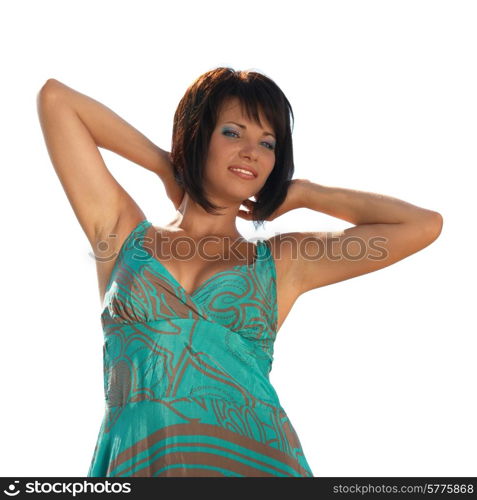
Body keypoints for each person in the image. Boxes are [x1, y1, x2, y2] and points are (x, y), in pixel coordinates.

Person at [36, 67, 443, 477]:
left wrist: (305, 193)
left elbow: (422, 225)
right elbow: (57, 101)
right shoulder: (121, 235)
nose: (252, 151)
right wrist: (168, 165)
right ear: (197, 137)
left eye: (268, 143)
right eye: (233, 133)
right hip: (136, 465)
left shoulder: (282, 263)